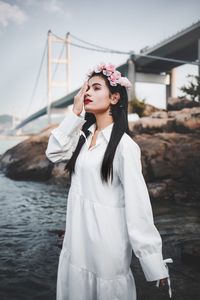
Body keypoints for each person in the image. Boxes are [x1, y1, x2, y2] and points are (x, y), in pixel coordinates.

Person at [45, 63, 172, 300]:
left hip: (106, 248)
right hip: (77, 245)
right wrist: (75, 113)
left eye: (95, 88)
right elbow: (53, 153)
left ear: (114, 97)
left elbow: (138, 207)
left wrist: (152, 261)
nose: (87, 94)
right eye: (86, 89)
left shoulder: (125, 147)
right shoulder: (82, 138)